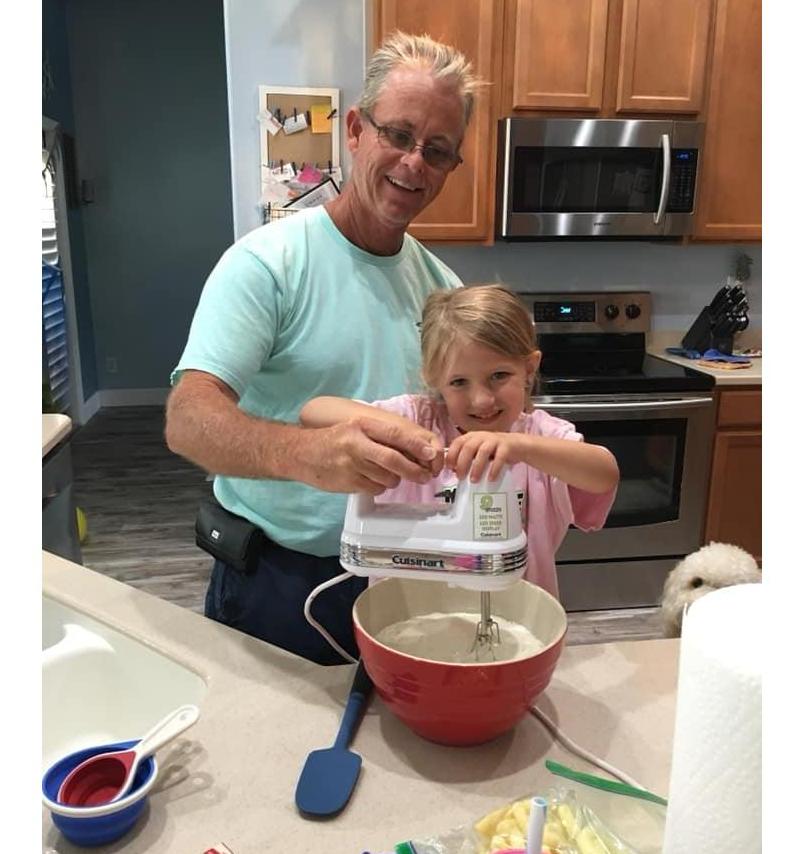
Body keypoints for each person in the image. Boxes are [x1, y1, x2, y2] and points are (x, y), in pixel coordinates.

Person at [165, 32, 483, 664]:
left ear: (451, 166)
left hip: (407, 577)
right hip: (276, 582)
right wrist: (306, 454)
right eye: (399, 135)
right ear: (357, 131)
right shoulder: (267, 264)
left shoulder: (444, 291)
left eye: (438, 150)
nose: (414, 163)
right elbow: (188, 420)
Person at [300, 285, 620, 600]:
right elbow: (314, 412)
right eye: (459, 382)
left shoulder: (540, 437)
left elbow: (604, 473)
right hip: (408, 618)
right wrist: (398, 431)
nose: (481, 400)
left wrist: (519, 446)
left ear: (529, 368)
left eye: (498, 376)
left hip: (517, 618)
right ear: (436, 381)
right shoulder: (417, 418)